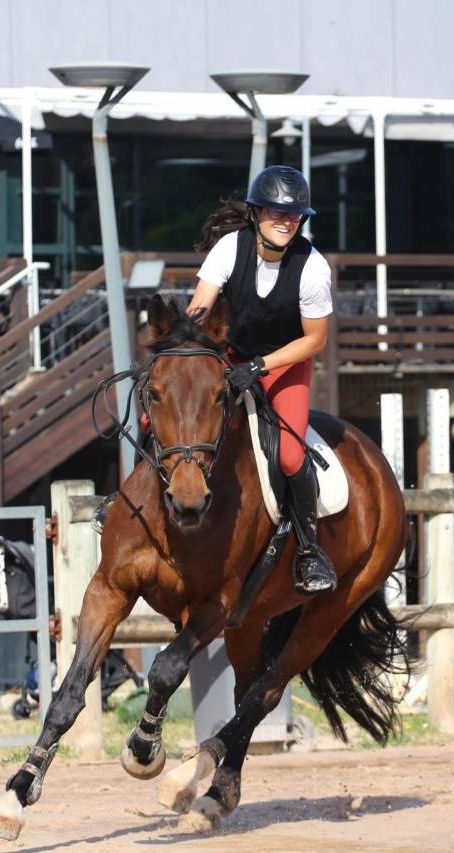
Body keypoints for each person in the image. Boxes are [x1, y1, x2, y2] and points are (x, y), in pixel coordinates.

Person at [185, 165, 337, 595]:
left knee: (289, 455)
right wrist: (184, 348)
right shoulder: (229, 249)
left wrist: (260, 366)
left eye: (293, 215)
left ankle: (310, 549)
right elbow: (199, 308)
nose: (285, 221)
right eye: (275, 213)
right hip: (229, 355)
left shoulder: (313, 268)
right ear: (255, 213)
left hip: (286, 363)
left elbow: (315, 340)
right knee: (172, 413)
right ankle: (127, 500)